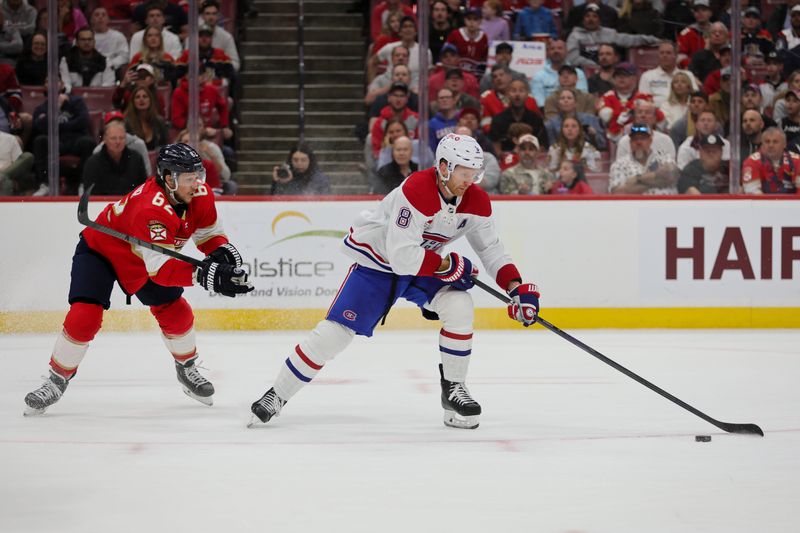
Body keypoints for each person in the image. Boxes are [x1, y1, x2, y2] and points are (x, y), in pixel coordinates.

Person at [249, 133, 541, 429]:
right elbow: (401, 256)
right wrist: (447, 264)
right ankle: (277, 395)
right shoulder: (416, 190)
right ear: (443, 167)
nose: (470, 180)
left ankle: (453, 392)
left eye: (475, 174)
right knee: (334, 335)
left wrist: (515, 288)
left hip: (422, 264)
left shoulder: (476, 199)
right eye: (465, 173)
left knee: (459, 305)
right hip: (380, 262)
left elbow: (490, 249)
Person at [23, 143, 254, 415]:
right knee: (85, 315)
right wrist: (206, 275)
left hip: (139, 261)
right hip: (101, 251)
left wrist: (221, 252)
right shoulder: (150, 208)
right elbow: (163, 271)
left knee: (178, 312)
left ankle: (187, 368)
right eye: (190, 178)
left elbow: (207, 233)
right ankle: (56, 379)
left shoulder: (199, 194)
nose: (198, 184)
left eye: (198, 175)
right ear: (169, 178)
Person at [31, 76, 96, 196]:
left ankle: (83, 184)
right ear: (44, 86)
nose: (51, 83)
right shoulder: (41, 108)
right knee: (40, 141)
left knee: (88, 142)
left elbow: (83, 121)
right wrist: (57, 107)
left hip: (75, 141)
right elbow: (39, 126)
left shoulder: (76, 102)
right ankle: (45, 184)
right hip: (55, 142)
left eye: (55, 80)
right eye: (47, 81)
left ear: (62, 84)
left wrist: (56, 125)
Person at [566, 3, 659, 68]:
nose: (591, 19)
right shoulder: (575, 36)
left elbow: (629, 39)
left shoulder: (609, 33)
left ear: (599, 20)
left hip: (609, 70)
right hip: (584, 71)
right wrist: (595, 66)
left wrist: (653, 40)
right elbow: (573, 58)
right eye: (587, 16)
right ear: (583, 19)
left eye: (594, 16)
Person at [81, 118, 147, 195]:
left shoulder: (136, 158)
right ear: (104, 139)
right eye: (113, 138)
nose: (118, 142)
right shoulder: (92, 163)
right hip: (102, 205)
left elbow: (144, 188)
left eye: (121, 138)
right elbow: (90, 194)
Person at [609, 123, 679, 194]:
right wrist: (658, 178)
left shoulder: (664, 158)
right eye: (635, 139)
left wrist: (638, 179)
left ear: (650, 141)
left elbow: (673, 175)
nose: (638, 142)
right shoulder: (619, 165)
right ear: (630, 142)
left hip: (666, 204)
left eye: (643, 138)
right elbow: (618, 192)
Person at [489, 78, 548, 153]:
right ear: (507, 94)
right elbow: (495, 149)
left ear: (527, 94)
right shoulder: (498, 120)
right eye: (513, 91)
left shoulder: (536, 119)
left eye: (521, 91)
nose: (517, 94)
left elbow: (542, 147)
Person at [637, 41, 698, 107]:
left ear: (676, 55)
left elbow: (696, 99)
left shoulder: (688, 75)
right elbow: (642, 102)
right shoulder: (647, 76)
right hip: (657, 114)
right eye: (661, 53)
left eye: (668, 53)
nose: (664, 55)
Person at [177, 129, 236, 196]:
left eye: (192, 142)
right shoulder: (172, 165)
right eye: (185, 142)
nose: (188, 145)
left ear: (198, 144)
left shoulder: (207, 164)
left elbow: (215, 190)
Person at [91, 110, 152, 176]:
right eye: (112, 124)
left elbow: (147, 173)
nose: (116, 126)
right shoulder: (98, 150)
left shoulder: (139, 144)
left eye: (119, 123)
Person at [531, 39, 589, 108]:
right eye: (552, 49)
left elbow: (582, 98)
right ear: (547, 53)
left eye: (560, 48)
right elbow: (540, 103)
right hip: (548, 113)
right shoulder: (539, 76)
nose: (556, 51)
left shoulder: (578, 73)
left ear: (567, 51)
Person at [741, 127, 800, 194]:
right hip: (762, 203)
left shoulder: (797, 161)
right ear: (762, 144)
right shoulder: (751, 162)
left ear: (784, 144)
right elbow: (753, 194)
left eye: (775, 142)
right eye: (767, 142)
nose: (771, 145)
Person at [445, 7, 488, 76]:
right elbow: (446, 53)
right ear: (464, 20)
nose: (471, 22)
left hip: (476, 74)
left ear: (480, 21)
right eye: (469, 19)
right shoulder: (455, 34)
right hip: (456, 73)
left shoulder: (484, 37)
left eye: (475, 19)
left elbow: (484, 58)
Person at [124, 86, 169, 151]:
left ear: (150, 100)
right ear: (133, 102)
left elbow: (165, 146)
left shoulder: (159, 122)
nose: (141, 99)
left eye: (145, 96)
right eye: (137, 97)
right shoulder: (127, 123)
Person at [200, 0, 241, 72]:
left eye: (214, 14)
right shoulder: (193, 36)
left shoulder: (226, 37)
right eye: (207, 14)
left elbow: (235, 63)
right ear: (202, 16)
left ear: (218, 16)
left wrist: (221, 69)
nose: (211, 17)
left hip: (220, 76)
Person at [90, 6, 129, 78]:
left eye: (103, 15)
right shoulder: (84, 36)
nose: (100, 17)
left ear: (108, 19)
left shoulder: (118, 36)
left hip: (112, 69)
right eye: (97, 15)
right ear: (91, 20)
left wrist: (110, 64)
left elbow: (124, 56)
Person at [677, 0, 713, 68]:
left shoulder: (717, 31)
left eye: (704, 10)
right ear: (694, 14)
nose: (700, 13)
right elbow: (680, 57)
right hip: (692, 71)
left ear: (710, 13)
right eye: (697, 11)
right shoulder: (686, 33)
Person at [0, 128, 33, 195]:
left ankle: (3, 177)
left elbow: (18, 164)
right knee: (6, 182)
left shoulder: (10, 139)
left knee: (28, 156)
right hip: (6, 176)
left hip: (8, 178)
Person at [429, 87, 459, 152]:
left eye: (448, 97)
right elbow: (432, 148)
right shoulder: (432, 124)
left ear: (454, 100)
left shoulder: (461, 118)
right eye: (441, 98)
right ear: (437, 101)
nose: (444, 100)